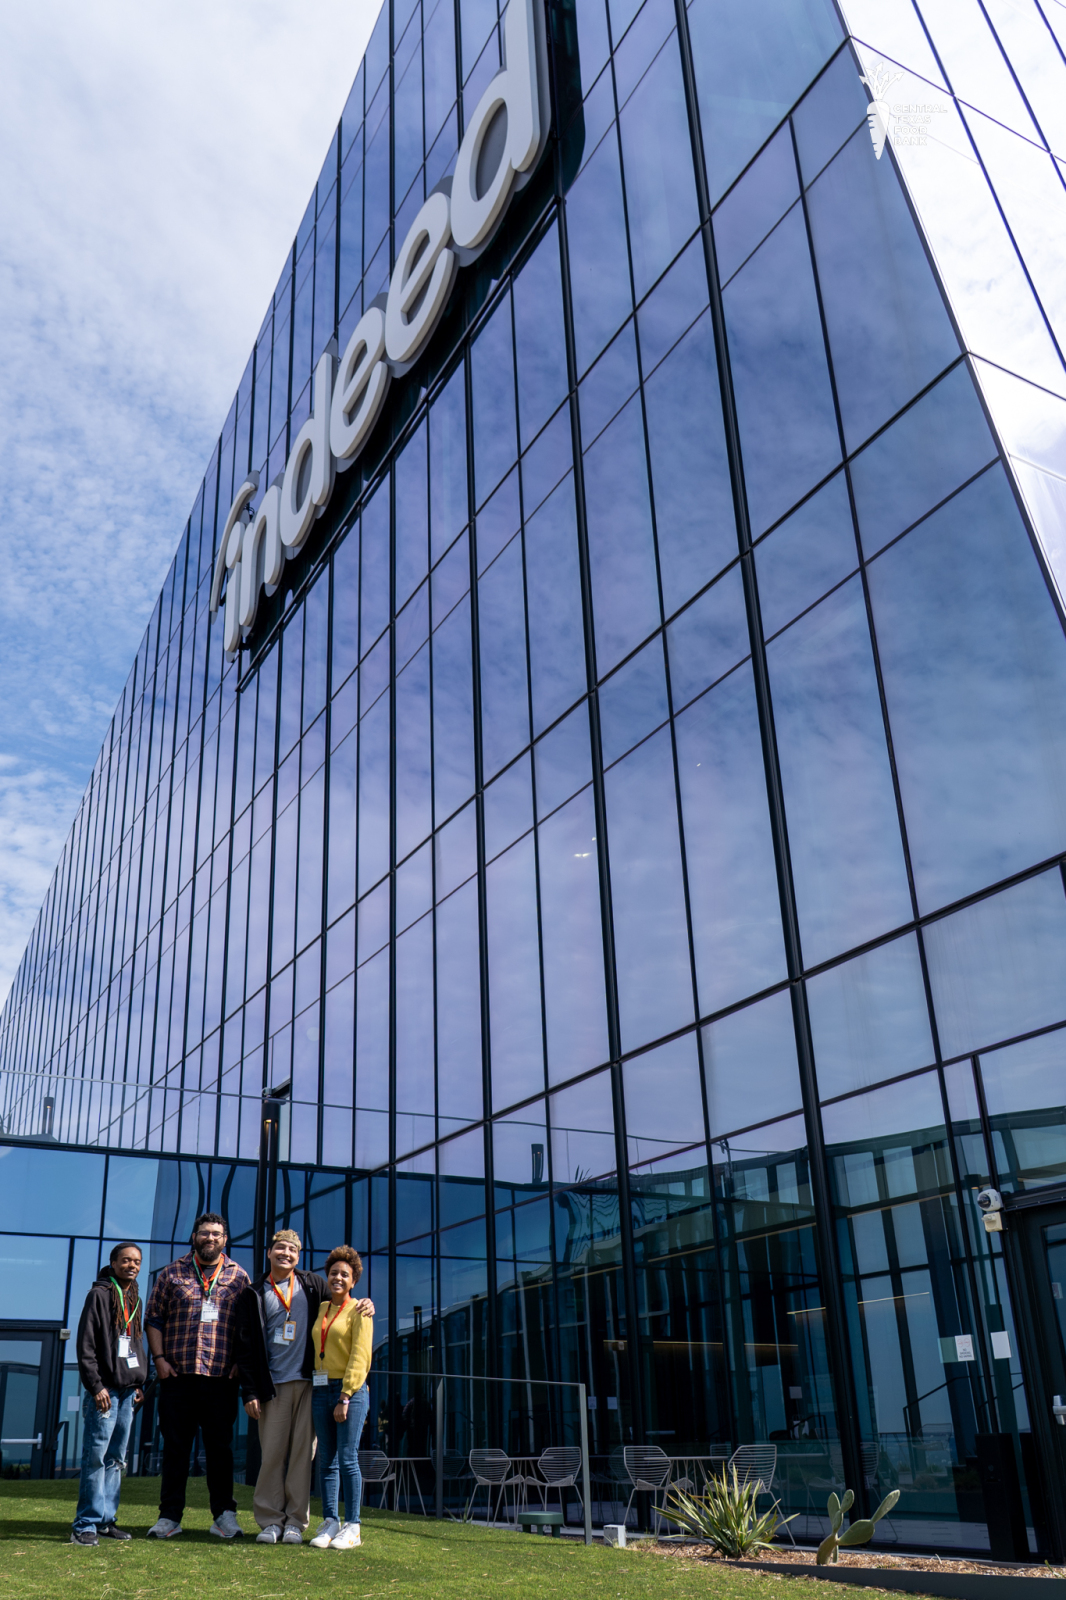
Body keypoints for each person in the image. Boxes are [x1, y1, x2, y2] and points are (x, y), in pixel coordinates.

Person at [235, 1229, 374, 1544]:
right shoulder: (253, 1292)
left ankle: (296, 1522)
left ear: (298, 1257)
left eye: (292, 1250)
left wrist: (366, 1302)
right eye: (281, 1248)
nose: (286, 1254)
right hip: (272, 1386)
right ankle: (271, 1521)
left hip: (312, 1384)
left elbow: (345, 1302)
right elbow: (243, 1347)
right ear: (270, 1252)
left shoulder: (313, 1285)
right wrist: (250, 1391)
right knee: (272, 1454)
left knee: (303, 1454)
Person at [143, 1211, 250, 1540]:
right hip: (177, 1377)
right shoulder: (171, 1273)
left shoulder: (238, 1277)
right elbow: (154, 1319)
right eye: (204, 1233)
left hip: (220, 1379)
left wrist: (239, 1363)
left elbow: (247, 1329)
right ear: (194, 1237)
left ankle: (223, 1516)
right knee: (175, 1449)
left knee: (220, 1450)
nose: (210, 1238)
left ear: (225, 1240)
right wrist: (158, 1359)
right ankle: (169, 1517)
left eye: (216, 1234)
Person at [70, 1242, 149, 1545]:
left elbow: (134, 1345)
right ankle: (85, 1525)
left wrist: (138, 1381)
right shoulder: (99, 1295)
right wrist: (96, 1386)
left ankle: (106, 1521)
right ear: (114, 1263)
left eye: (137, 1262)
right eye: (126, 1260)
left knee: (116, 1459)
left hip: (128, 1391)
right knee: (96, 1457)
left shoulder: (134, 1299)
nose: (132, 1265)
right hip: (105, 1391)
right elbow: (86, 1346)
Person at [308, 1246, 373, 1550]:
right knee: (326, 1461)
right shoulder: (322, 1308)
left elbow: (360, 1356)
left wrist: (345, 1396)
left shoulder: (360, 1309)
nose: (338, 1277)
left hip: (349, 1392)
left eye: (344, 1274)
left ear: (353, 1280)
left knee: (347, 1459)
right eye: (334, 1272)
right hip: (320, 1389)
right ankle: (330, 1521)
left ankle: (354, 1525)